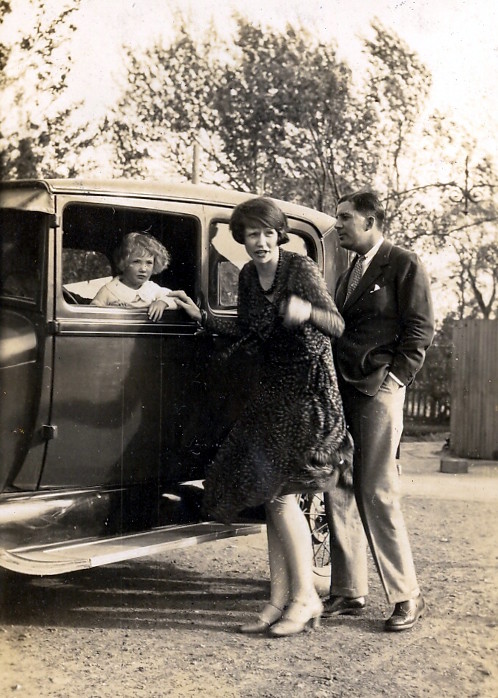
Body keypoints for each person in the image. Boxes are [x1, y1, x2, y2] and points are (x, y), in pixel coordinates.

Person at [170, 197, 352, 638]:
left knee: (279, 494)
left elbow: (337, 325)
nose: (262, 242)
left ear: (279, 235)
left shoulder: (300, 269)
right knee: (269, 494)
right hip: (274, 393)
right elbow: (251, 327)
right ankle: (278, 599)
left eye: (269, 233)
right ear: (243, 239)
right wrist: (204, 318)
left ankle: (306, 598)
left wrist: (307, 312)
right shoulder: (250, 275)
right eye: (253, 234)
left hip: (310, 393)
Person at [324, 190, 434, 631]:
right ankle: (349, 590)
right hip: (342, 391)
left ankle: (408, 596)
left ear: (371, 220)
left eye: (346, 218)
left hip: (377, 392)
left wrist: (396, 380)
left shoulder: (404, 263)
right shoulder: (350, 269)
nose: (338, 226)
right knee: (338, 486)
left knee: (377, 490)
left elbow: (420, 329)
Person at [91, 232, 177, 320]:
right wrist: (109, 311)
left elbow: (176, 299)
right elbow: (92, 312)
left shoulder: (152, 288)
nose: (143, 269)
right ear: (123, 263)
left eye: (149, 262)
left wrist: (162, 302)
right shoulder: (109, 290)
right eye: (136, 261)